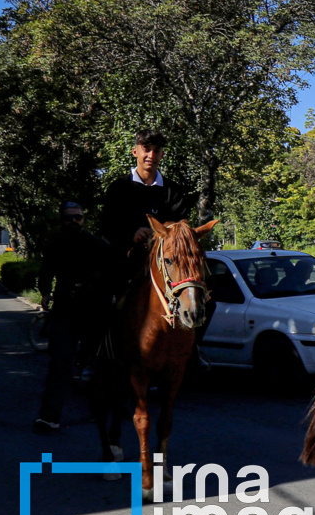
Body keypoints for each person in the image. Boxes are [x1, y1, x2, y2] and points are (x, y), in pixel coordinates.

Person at [34, 202, 115, 431]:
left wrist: (95, 288)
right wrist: (45, 294)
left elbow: (112, 274)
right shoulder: (54, 246)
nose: (74, 221)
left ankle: (98, 411)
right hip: (64, 312)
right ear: (61, 219)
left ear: (83, 219)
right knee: (59, 364)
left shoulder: (99, 245)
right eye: (69, 217)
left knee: (97, 364)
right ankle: (49, 417)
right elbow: (46, 273)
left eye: (78, 217)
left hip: (94, 313)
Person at [98, 129, 195, 277]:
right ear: (135, 152)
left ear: (162, 155)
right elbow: (106, 226)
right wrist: (131, 234)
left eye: (156, 151)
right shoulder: (118, 187)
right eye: (146, 150)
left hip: (166, 264)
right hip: (122, 264)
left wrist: (158, 234)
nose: (151, 156)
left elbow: (180, 227)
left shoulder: (173, 191)